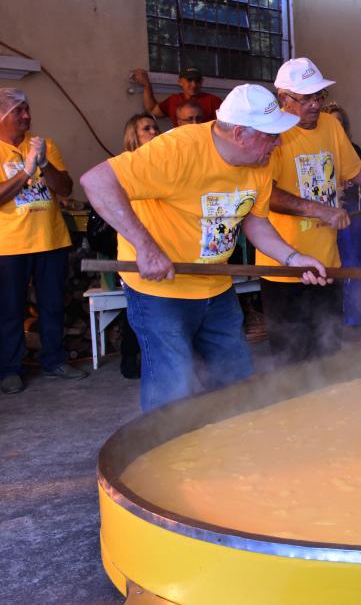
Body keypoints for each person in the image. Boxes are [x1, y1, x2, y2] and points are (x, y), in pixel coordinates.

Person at [80, 84, 330, 412]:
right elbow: (96, 181)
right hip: (161, 292)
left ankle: (231, 451)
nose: (279, 142)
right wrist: (146, 248)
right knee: (173, 387)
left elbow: (254, 221)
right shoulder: (177, 150)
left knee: (236, 380)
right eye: (271, 135)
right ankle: (165, 458)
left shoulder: (261, 161)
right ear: (241, 133)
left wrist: (294, 258)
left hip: (216, 285)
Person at [256, 58, 361, 367]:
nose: (315, 104)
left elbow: (356, 172)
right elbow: (265, 195)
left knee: (327, 353)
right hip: (284, 270)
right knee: (292, 361)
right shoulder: (274, 134)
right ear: (283, 97)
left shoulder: (330, 126)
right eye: (306, 98)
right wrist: (319, 210)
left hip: (327, 263)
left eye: (319, 96)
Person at [0, 88, 88, 394]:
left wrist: (44, 163)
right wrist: (26, 171)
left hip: (51, 240)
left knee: (52, 305)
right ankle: (10, 369)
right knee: (10, 309)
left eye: (27, 109)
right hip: (9, 245)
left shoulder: (44, 144)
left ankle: (55, 360)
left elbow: (64, 188)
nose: (26, 116)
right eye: (18, 111)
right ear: (2, 116)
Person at [86, 114, 162, 379]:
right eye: (146, 129)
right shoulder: (121, 168)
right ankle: (131, 360)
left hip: (164, 244)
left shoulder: (164, 164)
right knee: (139, 307)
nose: (153, 132)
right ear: (133, 135)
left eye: (155, 127)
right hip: (134, 248)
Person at [324, 102, 361, 327]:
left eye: (339, 122)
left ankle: (358, 313)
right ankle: (339, 315)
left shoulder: (353, 149)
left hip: (354, 214)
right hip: (328, 216)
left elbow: (359, 179)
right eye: (331, 122)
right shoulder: (317, 149)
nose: (335, 126)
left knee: (356, 262)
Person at [130, 66, 223, 127]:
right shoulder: (173, 100)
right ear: (180, 82)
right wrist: (146, 85)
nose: (194, 84)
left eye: (197, 81)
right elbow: (152, 111)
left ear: (202, 82)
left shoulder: (214, 101)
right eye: (189, 80)